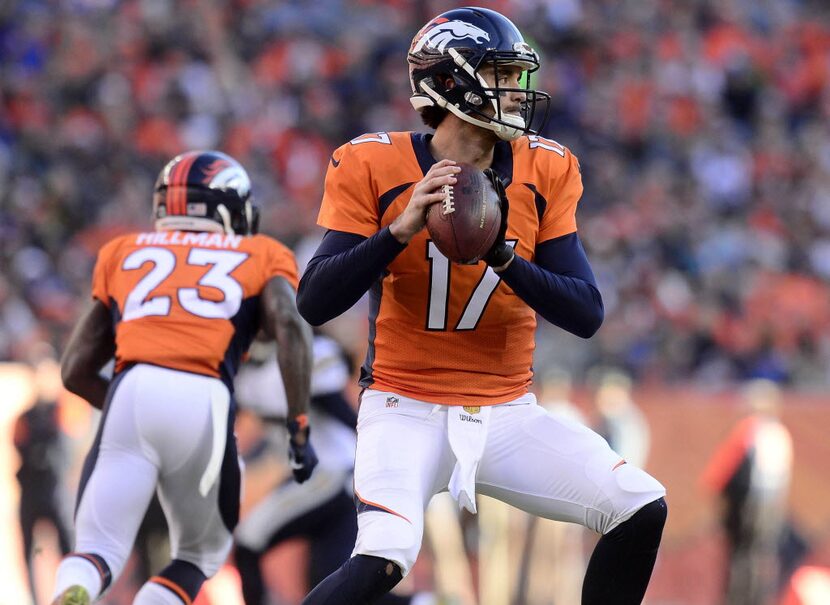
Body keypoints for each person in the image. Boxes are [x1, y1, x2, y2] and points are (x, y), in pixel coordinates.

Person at [296, 7, 667, 605]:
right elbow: (314, 300)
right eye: (500, 75)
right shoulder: (373, 162)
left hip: (506, 414)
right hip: (403, 405)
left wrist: (504, 258)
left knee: (639, 506)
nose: (517, 92)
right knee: (383, 560)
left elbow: (587, 312)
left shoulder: (548, 167)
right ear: (449, 83)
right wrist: (395, 232)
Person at [51, 150, 318, 605]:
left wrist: (130, 418)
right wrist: (298, 427)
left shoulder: (121, 250)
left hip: (129, 390)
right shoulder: (261, 252)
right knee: (198, 556)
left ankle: (74, 591)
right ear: (227, 209)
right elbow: (290, 326)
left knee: (96, 551)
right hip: (204, 394)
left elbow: (75, 370)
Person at [233, 332, 433, 605]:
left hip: (333, 474)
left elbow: (344, 416)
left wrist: (383, 455)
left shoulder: (310, 355)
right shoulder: (247, 370)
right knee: (328, 586)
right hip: (322, 479)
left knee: (249, 541)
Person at [700, 379, 794, 605]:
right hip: (769, 504)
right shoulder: (779, 432)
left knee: (742, 554)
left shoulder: (750, 430)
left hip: (748, 505)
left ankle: (739, 598)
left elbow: (723, 471)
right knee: (760, 554)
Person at [13, 345, 73, 604]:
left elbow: (69, 445)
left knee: (69, 552)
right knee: (29, 553)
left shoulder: (62, 410)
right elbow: (19, 446)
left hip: (56, 491)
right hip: (31, 492)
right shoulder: (24, 416)